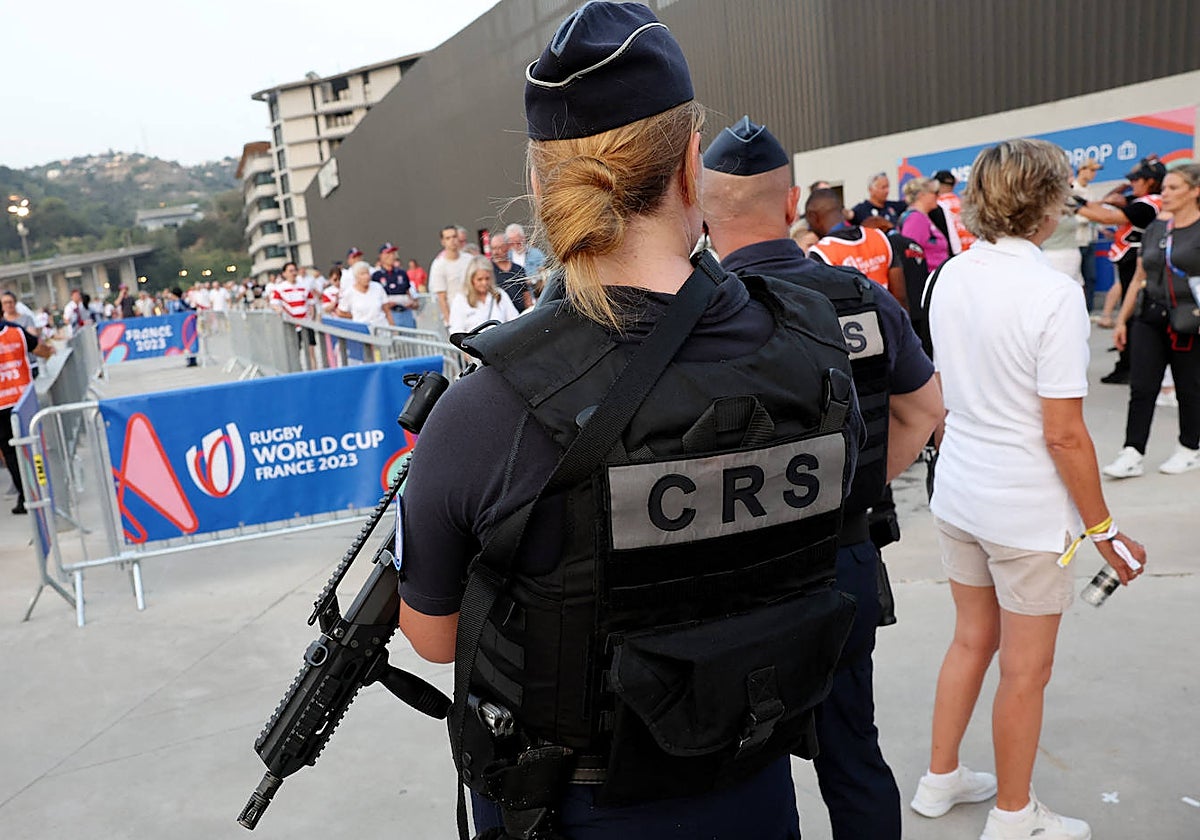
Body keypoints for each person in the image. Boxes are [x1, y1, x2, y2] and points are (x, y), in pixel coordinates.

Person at [398, 5, 862, 838]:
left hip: (578, 810)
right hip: (757, 791)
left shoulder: (486, 411)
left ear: (542, 182)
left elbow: (433, 638)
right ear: (690, 162)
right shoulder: (813, 343)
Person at [703, 116, 943, 840]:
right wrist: (850, 488)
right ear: (791, 201)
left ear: (703, 209)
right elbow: (924, 411)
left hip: (725, 581)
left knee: (736, 775)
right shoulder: (859, 297)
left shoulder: (689, 313)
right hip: (840, 561)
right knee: (853, 754)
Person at [917, 138, 1146, 840]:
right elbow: (1064, 434)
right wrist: (1105, 530)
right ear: (1048, 206)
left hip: (958, 492)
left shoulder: (950, 274)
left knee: (970, 641)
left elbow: (945, 387)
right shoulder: (1053, 293)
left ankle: (940, 779)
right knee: (1025, 669)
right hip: (1023, 512)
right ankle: (1014, 814)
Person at [1101, 163, 1200, 477]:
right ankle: (1132, 452)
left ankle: (1189, 447)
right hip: (1149, 316)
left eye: (1173, 188)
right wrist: (1122, 319)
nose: (1165, 193)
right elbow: (1138, 277)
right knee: (1142, 387)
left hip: (1189, 320)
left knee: (1189, 387)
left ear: (1195, 191)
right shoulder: (1156, 228)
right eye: (1164, 187)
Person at [1078, 157, 1166, 383]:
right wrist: (1081, 201)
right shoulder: (1140, 201)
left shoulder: (1149, 204)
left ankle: (1129, 365)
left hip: (1137, 261)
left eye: (1137, 180)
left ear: (1150, 181)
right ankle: (1128, 362)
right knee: (1130, 314)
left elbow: (1107, 216)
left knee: (1132, 316)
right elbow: (1107, 206)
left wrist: (1075, 207)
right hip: (1130, 259)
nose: (1132, 183)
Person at [806, 187, 907, 308]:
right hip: (886, 315)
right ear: (842, 211)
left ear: (813, 217)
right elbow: (900, 298)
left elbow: (820, 308)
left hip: (851, 319)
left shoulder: (820, 253)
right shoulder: (878, 237)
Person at [0, 306, 53, 514]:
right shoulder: (16, 331)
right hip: (23, 401)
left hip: (1, 407)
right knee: (32, 445)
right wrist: (50, 352)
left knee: (10, 453)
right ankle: (43, 491)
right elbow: (40, 350)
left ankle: (25, 496)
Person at [448, 256, 521, 336]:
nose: (484, 283)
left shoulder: (499, 294)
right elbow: (456, 330)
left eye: (487, 278)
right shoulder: (461, 299)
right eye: (480, 279)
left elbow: (514, 320)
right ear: (471, 280)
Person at [900, 178, 951, 272]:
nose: (938, 196)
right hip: (928, 274)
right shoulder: (915, 219)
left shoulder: (924, 217)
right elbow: (912, 254)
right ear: (922, 195)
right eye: (935, 193)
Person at [429, 224, 472, 328]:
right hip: (455, 316)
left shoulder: (469, 259)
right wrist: (449, 322)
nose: (452, 240)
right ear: (443, 242)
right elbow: (442, 298)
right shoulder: (438, 265)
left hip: (473, 312)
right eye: (448, 238)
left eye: (454, 236)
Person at [372, 242, 419, 328]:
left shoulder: (402, 273)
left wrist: (413, 302)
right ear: (381, 256)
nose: (391, 256)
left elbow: (408, 291)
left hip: (405, 311)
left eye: (392, 253)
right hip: (389, 312)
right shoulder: (376, 275)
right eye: (388, 253)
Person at [932, 169, 975, 254]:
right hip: (971, 248)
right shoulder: (963, 203)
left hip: (955, 251)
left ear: (936, 184)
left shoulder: (936, 205)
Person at [335, 261, 389, 327]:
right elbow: (340, 312)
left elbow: (387, 310)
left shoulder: (378, 287)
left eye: (367, 273)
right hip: (362, 328)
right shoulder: (349, 292)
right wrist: (355, 316)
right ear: (356, 277)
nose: (366, 276)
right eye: (362, 274)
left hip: (381, 327)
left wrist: (393, 329)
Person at [489, 231, 531, 312]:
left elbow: (526, 296)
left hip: (521, 314)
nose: (495, 252)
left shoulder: (518, 269)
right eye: (493, 248)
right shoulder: (489, 271)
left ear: (508, 247)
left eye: (500, 248)